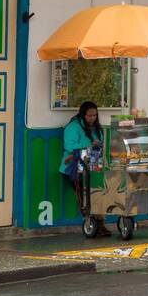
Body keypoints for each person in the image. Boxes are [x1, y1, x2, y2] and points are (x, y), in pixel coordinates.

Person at [62, 100, 109, 237]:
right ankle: (91, 222)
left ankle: (100, 223)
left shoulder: (97, 128)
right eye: (89, 116)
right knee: (85, 197)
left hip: (93, 168)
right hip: (74, 169)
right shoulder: (72, 127)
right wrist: (90, 144)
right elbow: (70, 146)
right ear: (83, 115)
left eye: (95, 115)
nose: (92, 118)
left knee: (99, 193)